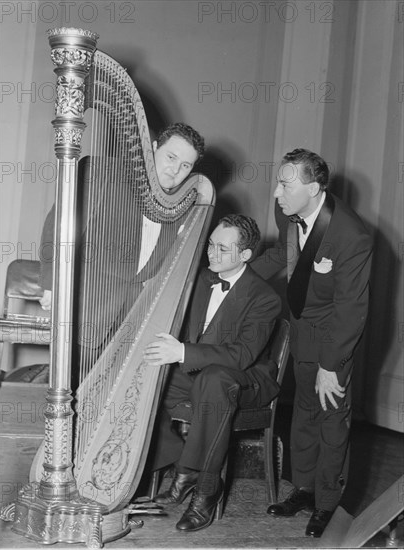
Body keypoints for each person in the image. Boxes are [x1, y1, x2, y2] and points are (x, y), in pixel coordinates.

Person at [251, 148, 373, 538]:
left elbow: (351, 310)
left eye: (285, 184)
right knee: (302, 415)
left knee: (331, 422)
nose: (276, 193)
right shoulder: (287, 212)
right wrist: (238, 271)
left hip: (333, 343)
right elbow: (283, 257)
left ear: (315, 188)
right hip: (300, 333)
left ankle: (327, 505)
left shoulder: (351, 237)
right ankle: (303, 489)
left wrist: (330, 365)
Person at [144, 214, 282, 532]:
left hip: (247, 379)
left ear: (246, 255)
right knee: (151, 375)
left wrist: (182, 352)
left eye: (223, 248)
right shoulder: (200, 281)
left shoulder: (264, 297)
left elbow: (242, 355)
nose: (212, 253)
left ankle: (205, 488)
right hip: (201, 371)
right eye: (210, 244)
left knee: (214, 379)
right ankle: (172, 461)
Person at [39, 122, 205, 311]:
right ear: (154, 147)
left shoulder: (182, 207)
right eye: (171, 157)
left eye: (185, 165)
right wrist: (51, 285)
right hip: (87, 303)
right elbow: (58, 224)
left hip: (135, 311)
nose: (175, 170)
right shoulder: (102, 172)